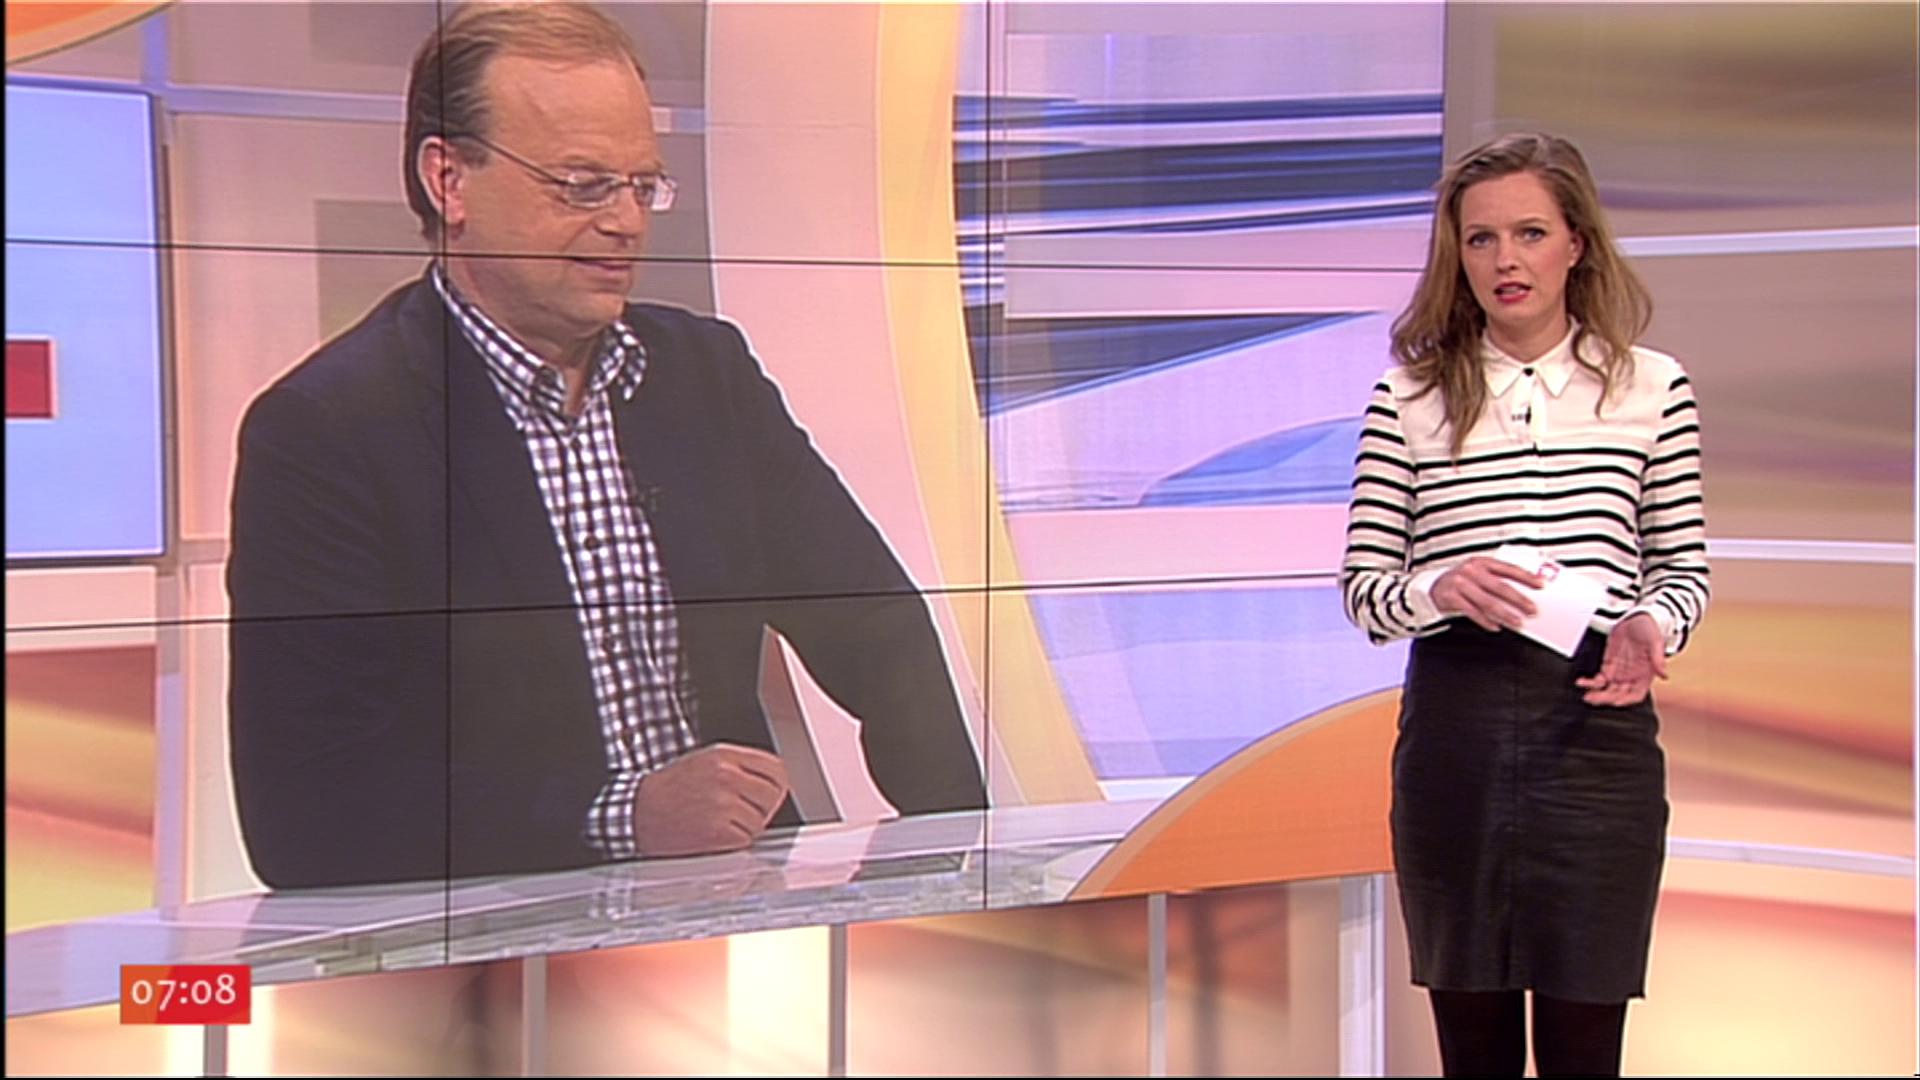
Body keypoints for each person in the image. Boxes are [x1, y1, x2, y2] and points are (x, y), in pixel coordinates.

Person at [226, 0, 985, 890]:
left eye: (642, 185)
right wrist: (620, 817)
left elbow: (875, 624)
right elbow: (308, 808)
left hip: (741, 910)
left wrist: (959, 863)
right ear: (449, 180)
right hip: (501, 934)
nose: (627, 222)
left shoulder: (704, 374)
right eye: (582, 185)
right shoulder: (328, 432)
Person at [1340, 132, 1709, 1076]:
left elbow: (1682, 568)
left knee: (1586, 1043)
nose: (1506, 260)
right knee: (1475, 1050)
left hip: (1594, 735)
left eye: (1530, 233)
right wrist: (1437, 587)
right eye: (1481, 239)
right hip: (1457, 737)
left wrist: (1650, 625)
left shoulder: (1652, 386)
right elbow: (1365, 592)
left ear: (1576, 243)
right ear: (1457, 256)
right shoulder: (1408, 396)